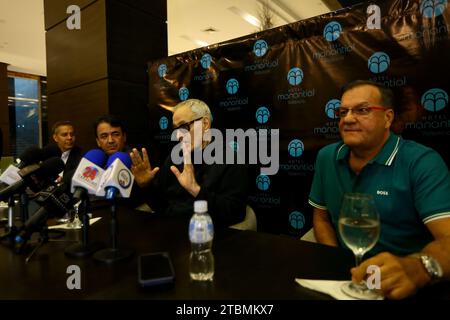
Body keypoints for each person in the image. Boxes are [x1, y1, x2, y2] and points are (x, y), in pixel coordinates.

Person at [308, 80, 450, 299]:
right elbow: (321, 219)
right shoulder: (326, 157)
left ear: (388, 118)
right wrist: (340, 265)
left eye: (362, 110)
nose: (347, 119)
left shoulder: (422, 162)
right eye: (342, 111)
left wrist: (419, 268)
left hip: (401, 284)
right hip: (348, 277)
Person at [130, 99, 248, 227]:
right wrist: (147, 186)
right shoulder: (174, 158)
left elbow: (235, 213)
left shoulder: (230, 159)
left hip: (208, 236)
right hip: (170, 231)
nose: (179, 135)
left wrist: (195, 190)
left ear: (205, 124)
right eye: (176, 129)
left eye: (183, 126)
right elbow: (162, 207)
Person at [51, 121, 83, 185]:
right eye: (65, 135)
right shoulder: (49, 154)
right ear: (55, 138)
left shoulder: (82, 156)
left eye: (72, 134)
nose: (69, 138)